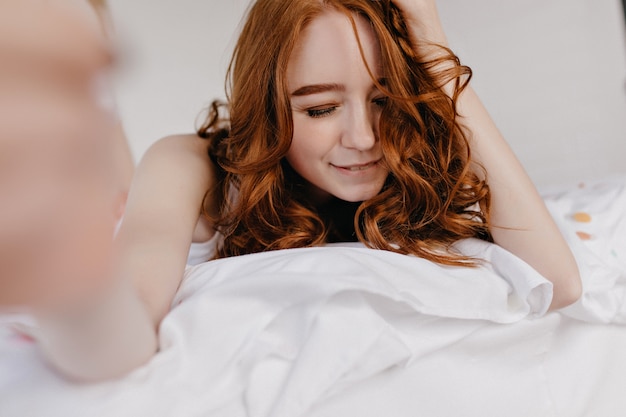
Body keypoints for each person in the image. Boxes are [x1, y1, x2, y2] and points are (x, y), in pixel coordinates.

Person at [17, 0, 583, 381]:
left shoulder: (418, 160)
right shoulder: (191, 165)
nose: (363, 138)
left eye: (385, 99)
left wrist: (433, 49)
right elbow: (137, 299)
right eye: (319, 108)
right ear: (269, 105)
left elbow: (558, 283)